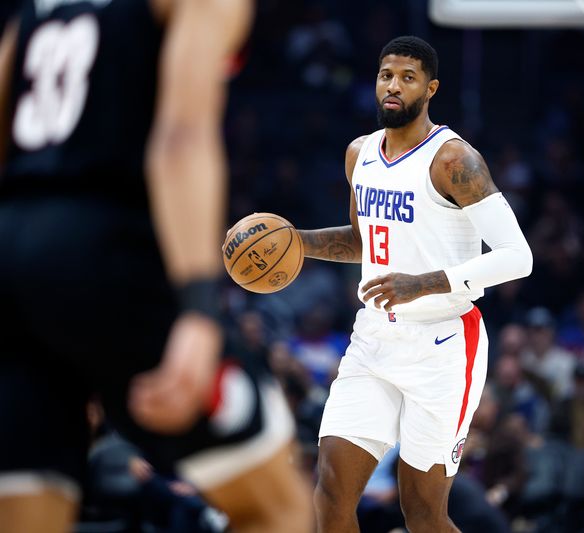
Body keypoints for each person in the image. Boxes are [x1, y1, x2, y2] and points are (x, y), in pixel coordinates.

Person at [0, 1, 312, 531]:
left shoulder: (33, 13)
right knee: (277, 507)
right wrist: (198, 309)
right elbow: (180, 138)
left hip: (10, 256)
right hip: (103, 254)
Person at [296, 35, 533, 532]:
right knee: (331, 490)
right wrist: (296, 241)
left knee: (423, 513)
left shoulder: (454, 160)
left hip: (444, 343)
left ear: (431, 88)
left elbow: (518, 257)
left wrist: (420, 284)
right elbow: (366, 242)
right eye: (386, 75)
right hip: (375, 337)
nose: (394, 86)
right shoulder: (359, 154)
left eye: (408, 77)